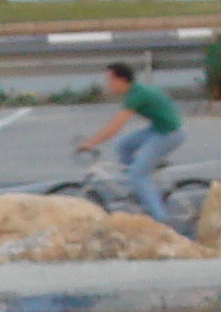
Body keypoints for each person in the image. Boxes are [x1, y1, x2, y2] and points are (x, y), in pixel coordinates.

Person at [76, 60, 184, 224]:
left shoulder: (136, 95)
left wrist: (91, 143)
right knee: (122, 145)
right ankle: (140, 186)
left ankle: (161, 220)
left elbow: (115, 126)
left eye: (109, 80)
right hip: (159, 129)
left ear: (121, 80)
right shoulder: (134, 91)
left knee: (137, 174)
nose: (107, 84)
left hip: (169, 134)